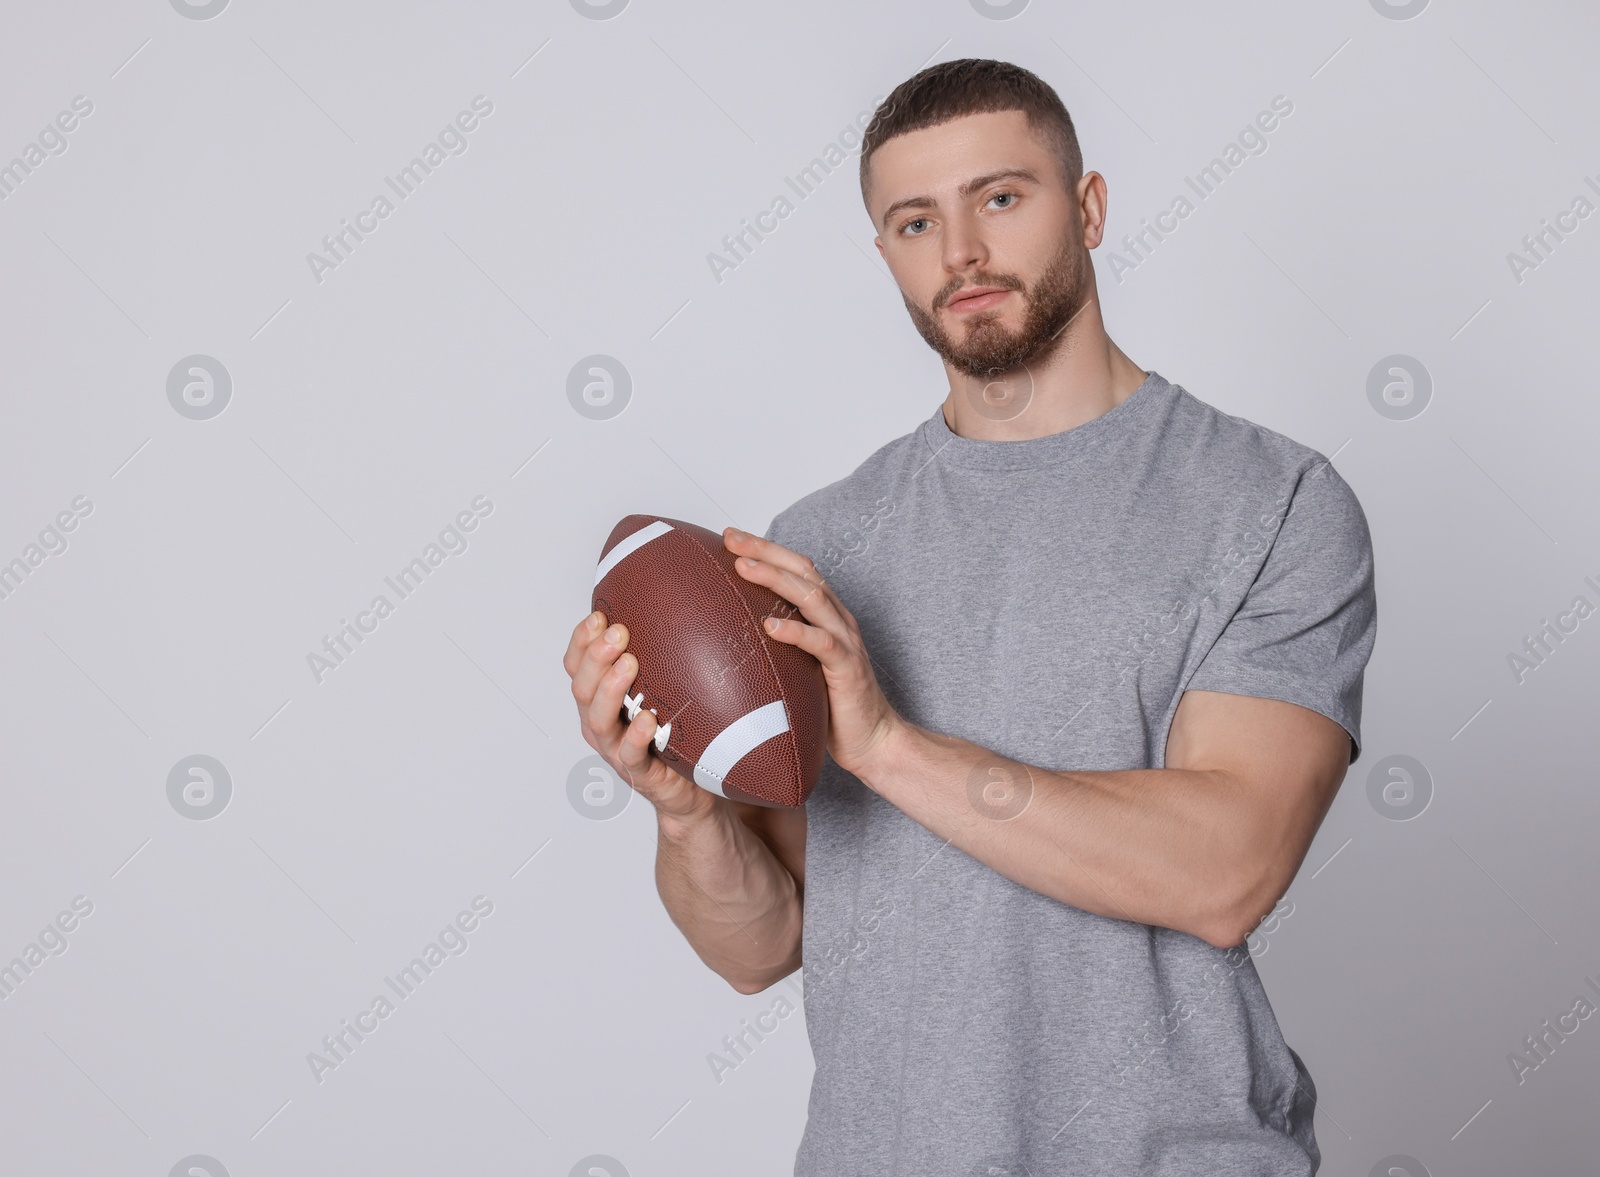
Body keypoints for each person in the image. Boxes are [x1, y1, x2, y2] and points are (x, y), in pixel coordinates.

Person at [564, 57, 1376, 1177]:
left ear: (1086, 207)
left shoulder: (1268, 502)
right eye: (913, 221)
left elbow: (1224, 872)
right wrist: (685, 812)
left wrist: (886, 742)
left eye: (1000, 198)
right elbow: (763, 947)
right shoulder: (819, 547)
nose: (960, 255)